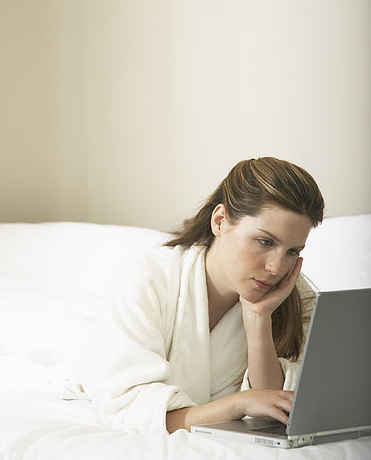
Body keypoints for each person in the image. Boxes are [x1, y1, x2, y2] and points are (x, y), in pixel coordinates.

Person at [79, 157, 324, 435]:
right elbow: (132, 411)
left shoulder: (293, 295)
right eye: (265, 242)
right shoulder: (145, 279)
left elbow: (276, 413)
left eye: (293, 251)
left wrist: (259, 320)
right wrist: (237, 404)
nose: (277, 267)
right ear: (220, 221)